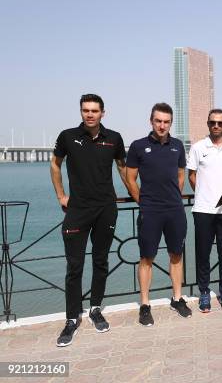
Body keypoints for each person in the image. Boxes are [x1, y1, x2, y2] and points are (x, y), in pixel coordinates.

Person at [51, 93, 128, 347]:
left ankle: (95, 309)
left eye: (95, 110)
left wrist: (138, 194)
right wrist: (61, 195)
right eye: (86, 110)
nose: (90, 114)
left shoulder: (114, 138)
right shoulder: (67, 137)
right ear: (81, 112)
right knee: (74, 267)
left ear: (103, 113)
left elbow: (122, 168)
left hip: (106, 208)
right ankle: (72, 318)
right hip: (78, 210)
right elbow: (55, 165)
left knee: (101, 260)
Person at [125, 102, 192, 326]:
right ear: (151, 121)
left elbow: (181, 174)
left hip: (175, 210)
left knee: (176, 255)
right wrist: (142, 201)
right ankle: (145, 304)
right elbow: (130, 179)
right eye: (158, 121)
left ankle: (177, 298)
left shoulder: (178, 146)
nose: (162, 125)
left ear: (170, 123)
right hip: (150, 211)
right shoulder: (137, 146)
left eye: (166, 121)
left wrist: (174, 196)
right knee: (146, 258)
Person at [187, 109, 222, 312]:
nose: (216, 126)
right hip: (202, 210)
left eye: (220, 123)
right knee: (203, 253)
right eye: (212, 122)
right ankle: (204, 293)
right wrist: (203, 193)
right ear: (207, 124)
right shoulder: (198, 147)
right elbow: (192, 175)